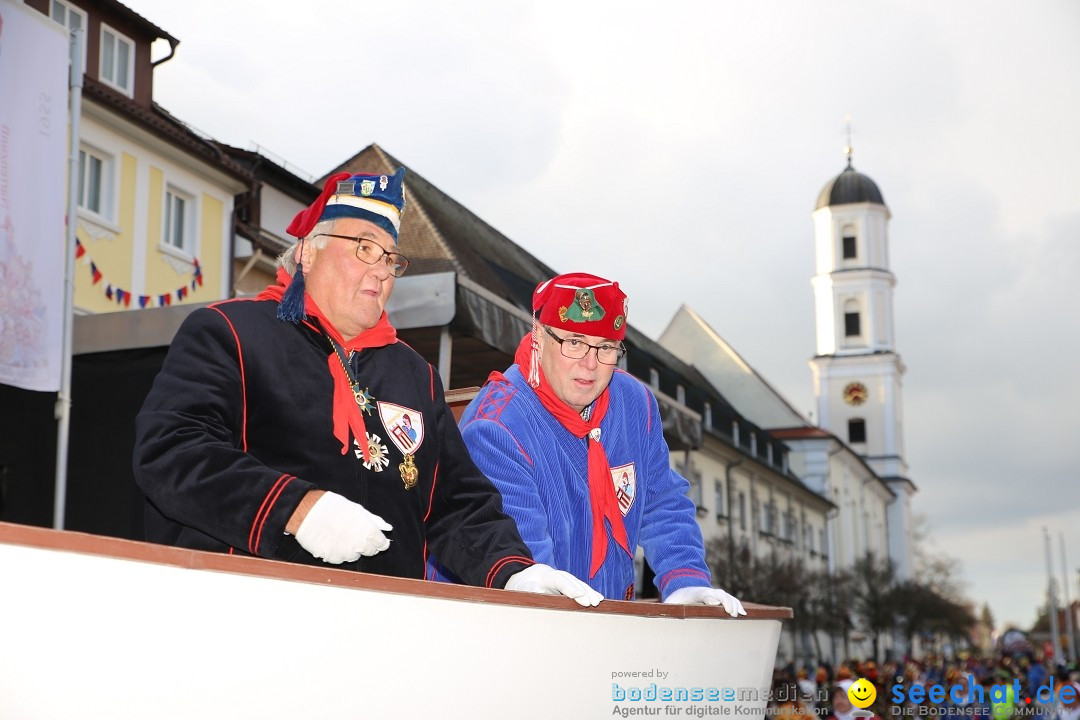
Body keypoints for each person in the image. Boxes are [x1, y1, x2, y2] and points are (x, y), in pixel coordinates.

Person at [133, 169, 602, 606]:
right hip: (252, 614)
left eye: (390, 258)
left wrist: (511, 572)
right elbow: (173, 452)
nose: (381, 270)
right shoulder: (229, 332)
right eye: (363, 248)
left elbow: (458, 504)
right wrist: (295, 508)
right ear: (307, 252)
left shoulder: (415, 375)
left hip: (384, 630)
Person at [436, 272, 746, 613]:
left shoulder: (634, 402)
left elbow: (661, 502)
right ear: (539, 335)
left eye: (606, 348)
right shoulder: (497, 424)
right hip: (515, 626)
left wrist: (685, 580)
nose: (590, 363)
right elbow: (529, 571)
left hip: (605, 619)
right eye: (574, 342)